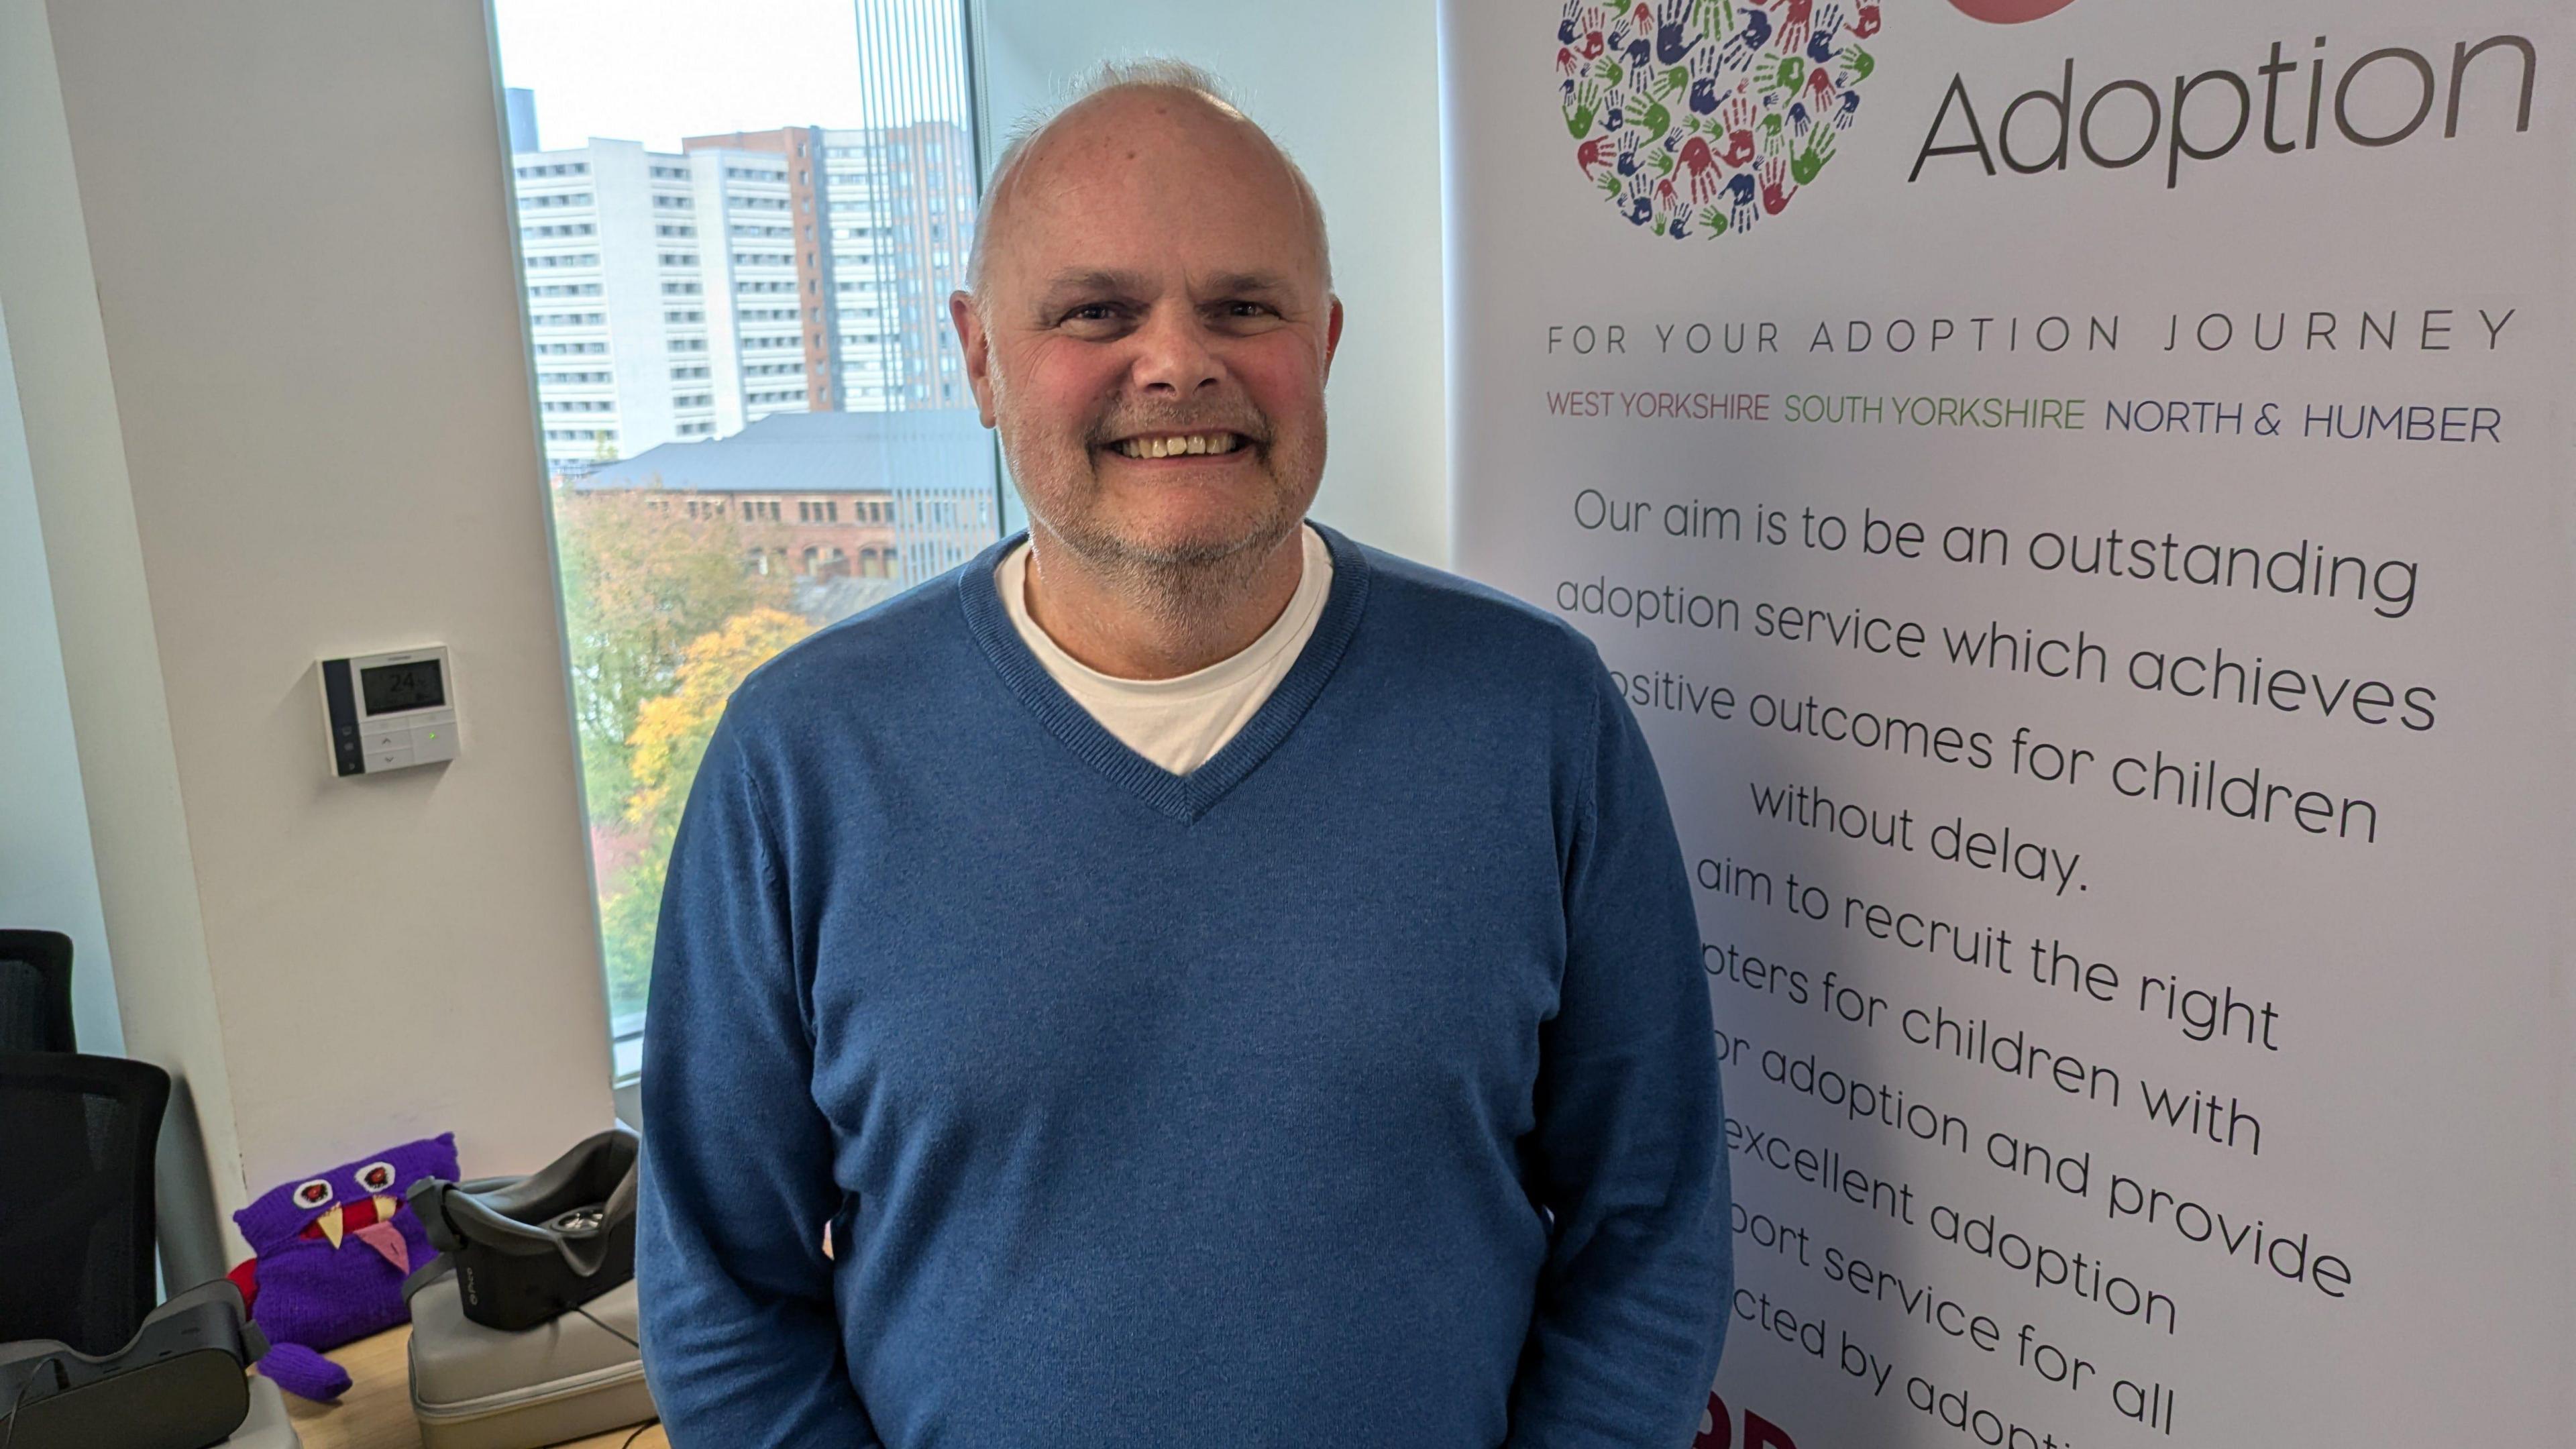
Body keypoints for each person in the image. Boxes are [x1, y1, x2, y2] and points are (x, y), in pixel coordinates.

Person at [636, 59, 1731, 1448]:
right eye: (1097, 311)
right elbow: (722, 1290)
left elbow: (1652, 1227)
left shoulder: (1536, 717)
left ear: (1323, 342)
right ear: (979, 356)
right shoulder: (800, 764)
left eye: (1243, 307)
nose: (1176, 361)